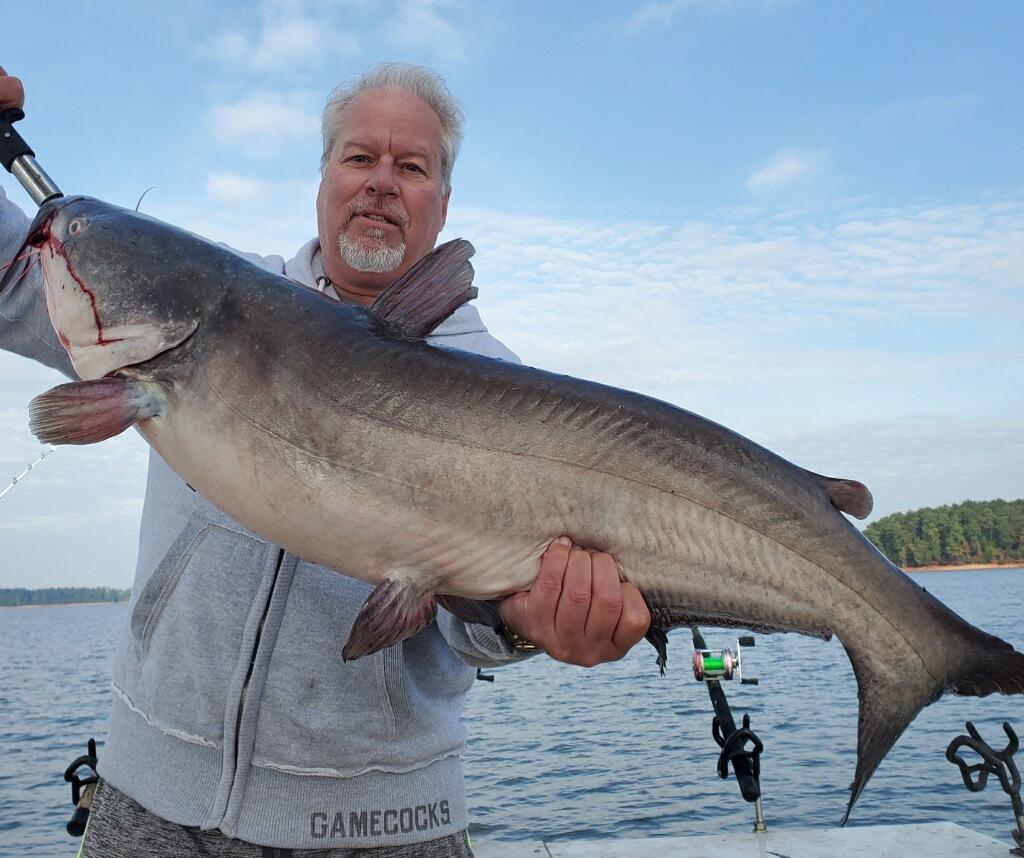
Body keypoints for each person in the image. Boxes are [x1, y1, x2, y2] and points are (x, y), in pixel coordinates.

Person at [0, 63, 651, 856]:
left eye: (411, 168)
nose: (381, 182)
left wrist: (529, 625)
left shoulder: (511, 400)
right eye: (358, 158)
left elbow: (476, 635)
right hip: (151, 805)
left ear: (442, 206)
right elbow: (10, 276)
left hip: (386, 832)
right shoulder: (185, 301)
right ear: (321, 181)